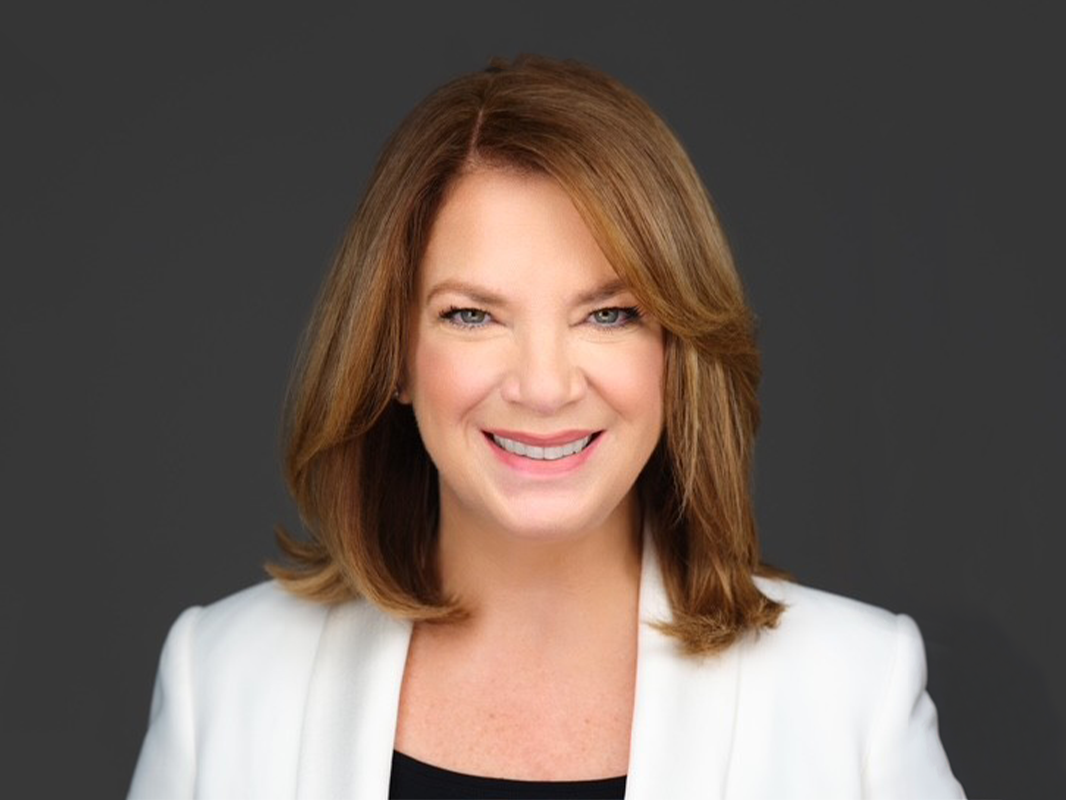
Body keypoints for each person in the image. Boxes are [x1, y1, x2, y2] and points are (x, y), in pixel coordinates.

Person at [127, 55, 965, 799]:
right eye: (472, 315)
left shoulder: (854, 693)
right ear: (391, 356)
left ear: (679, 351)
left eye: (607, 315)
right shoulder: (224, 678)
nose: (543, 386)